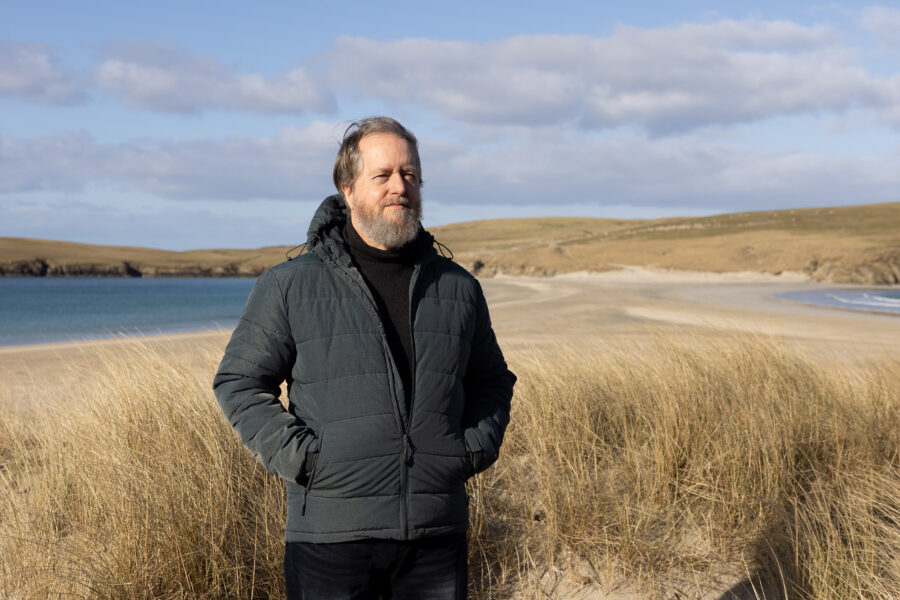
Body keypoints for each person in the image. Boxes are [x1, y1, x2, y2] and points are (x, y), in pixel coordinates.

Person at [213, 116, 516, 599]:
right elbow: (240, 382)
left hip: (436, 536)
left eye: (411, 175)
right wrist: (308, 460)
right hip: (331, 537)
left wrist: (467, 452)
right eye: (384, 175)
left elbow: (493, 382)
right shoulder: (291, 285)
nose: (400, 187)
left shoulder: (459, 288)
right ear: (347, 188)